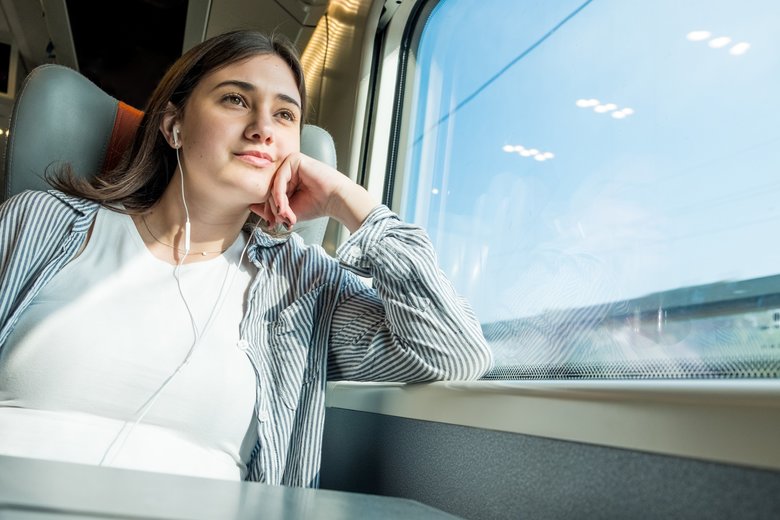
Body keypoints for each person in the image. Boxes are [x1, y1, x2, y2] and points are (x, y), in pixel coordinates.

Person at [0, 30, 492, 487]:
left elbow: (454, 351)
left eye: (285, 115)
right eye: (236, 99)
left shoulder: (302, 284)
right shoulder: (40, 223)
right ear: (173, 125)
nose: (262, 128)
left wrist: (352, 204)